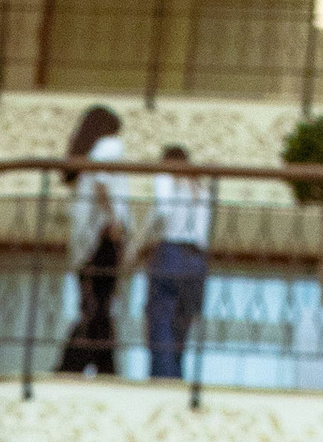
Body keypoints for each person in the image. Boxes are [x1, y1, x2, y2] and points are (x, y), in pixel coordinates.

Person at [55, 101, 128, 377]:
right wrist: (114, 221)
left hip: (85, 241)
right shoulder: (110, 146)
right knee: (98, 306)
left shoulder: (89, 152)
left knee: (95, 305)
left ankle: (102, 368)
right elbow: (102, 182)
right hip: (103, 236)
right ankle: (71, 367)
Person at [139, 142, 213, 381]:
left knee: (160, 322)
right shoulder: (201, 188)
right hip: (197, 261)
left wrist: (142, 243)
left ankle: (163, 380)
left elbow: (163, 210)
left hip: (171, 253)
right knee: (181, 326)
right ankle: (177, 380)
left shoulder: (166, 178)